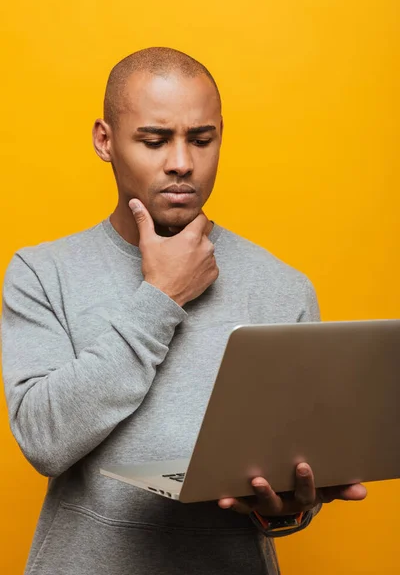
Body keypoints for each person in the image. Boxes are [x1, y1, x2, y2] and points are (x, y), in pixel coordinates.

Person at [1, 47, 366, 575]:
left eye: (202, 139)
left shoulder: (284, 288)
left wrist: (285, 512)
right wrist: (161, 297)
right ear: (105, 140)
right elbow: (44, 441)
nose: (181, 161)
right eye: (154, 140)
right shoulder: (41, 273)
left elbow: (293, 474)